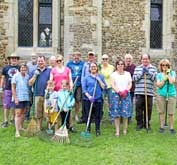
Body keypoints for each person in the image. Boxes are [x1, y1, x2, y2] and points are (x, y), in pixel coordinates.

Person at [50, 54, 76, 132]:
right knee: (58, 109)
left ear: (63, 61)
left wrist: (71, 87)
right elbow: (51, 80)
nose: (58, 62)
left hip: (66, 92)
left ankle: (69, 126)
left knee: (68, 108)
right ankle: (59, 126)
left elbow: (70, 79)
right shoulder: (53, 70)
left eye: (60, 60)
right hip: (57, 92)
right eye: (57, 61)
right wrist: (50, 90)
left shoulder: (67, 69)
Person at [133, 53, 157, 131]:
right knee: (138, 109)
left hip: (149, 92)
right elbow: (134, 79)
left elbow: (154, 79)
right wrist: (141, 73)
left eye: (146, 59)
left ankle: (147, 124)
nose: (145, 60)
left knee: (148, 109)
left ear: (149, 60)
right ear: (141, 60)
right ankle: (139, 124)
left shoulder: (153, 68)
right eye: (143, 59)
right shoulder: (137, 68)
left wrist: (148, 72)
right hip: (139, 92)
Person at [82, 62, 106, 136]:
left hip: (98, 99)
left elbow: (104, 87)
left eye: (94, 66)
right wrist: (89, 96)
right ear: (89, 68)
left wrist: (98, 80)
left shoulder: (100, 76)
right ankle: (88, 129)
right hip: (88, 99)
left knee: (97, 115)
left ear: (97, 68)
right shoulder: (86, 77)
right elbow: (84, 89)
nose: (93, 68)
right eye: (92, 67)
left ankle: (97, 130)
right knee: (87, 115)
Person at [110, 59, 132, 137]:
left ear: (124, 65)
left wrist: (126, 91)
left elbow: (130, 83)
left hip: (126, 95)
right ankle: (117, 131)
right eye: (118, 64)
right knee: (117, 114)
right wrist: (119, 91)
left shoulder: (127, 74)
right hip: (116, 95)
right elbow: (112, 84)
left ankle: (125, 130)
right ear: (116, 65)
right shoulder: (113, 74)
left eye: (122, 64)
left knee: (125, 113)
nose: (120, 65)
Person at [29, 55, 51, 131]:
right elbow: (30, 83)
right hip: (37, 94)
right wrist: (35, 75)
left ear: (45, 62)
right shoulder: (33, 71)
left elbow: (51, 82)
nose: (40, 62)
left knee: (48, 112)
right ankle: (39, 127)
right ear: (37, 62)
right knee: (38, 113)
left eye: (42, 61)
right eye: (39, 61)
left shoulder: (49, 71)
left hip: (47, 95)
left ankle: (49, 127)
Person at [156, 59, 176, 134]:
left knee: (171, 112)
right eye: (163, 65)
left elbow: (171, 82)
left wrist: (168, 74)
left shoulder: (173, 73)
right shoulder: (159, 75)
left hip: (171, 94)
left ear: (169, 66)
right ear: (160, 66)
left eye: (166, 65)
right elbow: (159, 85)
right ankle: (162, 127)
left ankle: (171, 128)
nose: (164, 66)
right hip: (161, 95)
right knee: (161, 112)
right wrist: (164, 79)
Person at [0, 53, 20, 128]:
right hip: (8, 89)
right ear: (10, 59)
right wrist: (1, 88)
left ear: (17, 60)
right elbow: (3, 78)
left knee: (14, 105)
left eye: (15, 58)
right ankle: (5, 121)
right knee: (6, 105)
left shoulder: (20, 67)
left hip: (16, 89)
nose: (14, 59)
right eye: (12, 58)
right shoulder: (5, 68)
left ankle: (12, 119)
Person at [11, 64, 30, 137]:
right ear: (19, 69)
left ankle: (20, 127)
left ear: (26, 69)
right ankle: (17, 131)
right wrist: (15, 98)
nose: (23, 69)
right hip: (18, 97)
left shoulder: (27, 76)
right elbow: (13, 87)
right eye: (22, 68)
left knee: (23, 113)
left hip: (25, 97)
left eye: (24, 68)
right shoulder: (15, 76)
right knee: (18, 113)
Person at [66, 51, 84, 122]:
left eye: (78, 56)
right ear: (73, 56)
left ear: (79, 56)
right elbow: (66, 73)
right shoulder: (69, 64)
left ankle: (76, 114)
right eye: (75, 56)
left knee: (78, 100)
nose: (76, 57)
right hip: (70, 84)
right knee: (70, 99)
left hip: (79, 85)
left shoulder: (82, 64)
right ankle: (69, 113)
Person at [80, 51, 96, 123]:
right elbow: (82, 75)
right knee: (85, 101)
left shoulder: (95, 65)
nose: (91, 57)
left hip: (92, 85)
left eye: (92, 56)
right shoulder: (85, 65)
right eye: (90, 56)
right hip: (86, 84)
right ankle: (84, 117)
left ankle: (92, 117)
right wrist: (82, 84)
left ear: (94, 57)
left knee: (92, 102)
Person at [99, 54, 114, 121]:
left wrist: (102, 74)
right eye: (103, 59)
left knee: (111, 102)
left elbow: (108, 75)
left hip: (110, 86)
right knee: (101, 102)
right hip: (102, 87)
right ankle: (100, 116)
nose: (105, 60)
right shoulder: (99, 67)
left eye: (106, 59)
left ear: (108, 59)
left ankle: (111, 117)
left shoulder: (111, 67)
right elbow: (99, 76)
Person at [26, 52, 38, 121]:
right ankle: (27, 115)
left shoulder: (38, 65)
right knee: (29, 101)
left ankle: (36, 115)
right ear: (31, 58)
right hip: (29, 85)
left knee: (36, 101)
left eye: (35, 56)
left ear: (36, 58)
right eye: (32, 56)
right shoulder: (28, 65)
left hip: (37, 85)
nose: (33, 58)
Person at [124, 53, 136, 123]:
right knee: (123, 103)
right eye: (127, 58)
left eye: (129, 59)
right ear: (125, 60)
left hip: (131, 89)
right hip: (123, 88)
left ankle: (129, 118)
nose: (128, 60)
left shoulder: (134, 67)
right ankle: (123, 116)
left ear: (131, 60)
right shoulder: (122, 66)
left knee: (130, 103)